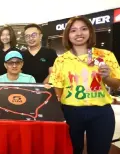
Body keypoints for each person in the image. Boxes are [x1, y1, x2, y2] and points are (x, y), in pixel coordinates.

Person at [49, 16, 120, 154]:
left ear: (90, 32)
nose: (79, 33)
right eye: (73, 30)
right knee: (71, 150)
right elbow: (57, 90)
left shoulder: (106, 55)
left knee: (99, 150)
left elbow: (117, 84)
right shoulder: (61, 60)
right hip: (70, 112)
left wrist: (106, 77)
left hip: (101, 112)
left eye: (83, 29)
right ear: (67, 35)